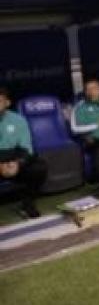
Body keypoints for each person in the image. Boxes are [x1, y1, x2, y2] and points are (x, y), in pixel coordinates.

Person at [0, 87, 47, 218]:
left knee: (39, 167)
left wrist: (18, 164)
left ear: (7, 103)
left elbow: (26, 149)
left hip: (13, 159)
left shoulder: (18, 120)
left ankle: (27, 204)